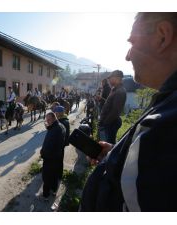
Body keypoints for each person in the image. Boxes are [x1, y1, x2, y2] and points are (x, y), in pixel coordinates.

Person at [80, 12, 177, 212]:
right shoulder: (167, 104)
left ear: (163, 36)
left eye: (132, 42)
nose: (127, 55)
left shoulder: (164, 128)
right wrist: (118, 154)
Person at [40, 112, 65, 200]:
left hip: (50, 157)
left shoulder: (55, 130)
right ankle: (54, 191)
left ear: (54, 118)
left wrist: (43, 154)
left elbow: (48, 145)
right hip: (57, 156)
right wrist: (48, 127)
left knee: (46, 176)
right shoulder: (60, 126)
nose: (47, 122)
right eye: (46, 120)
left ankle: (45, 195)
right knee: (54, 175)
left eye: (49, 120)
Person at [98, 70, 126, 144]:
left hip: (110, 124)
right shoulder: (115, 89)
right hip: (108, 123)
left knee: (107, 145)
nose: (109, 80)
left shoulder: (120, 91)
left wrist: (104, 122)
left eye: (110, 78)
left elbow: (115, 112)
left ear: (117, 78)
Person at [53, 106, 70, 180]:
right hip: (60, 144)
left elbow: (61, 135)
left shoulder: (63, 122)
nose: (55, 114)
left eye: (56, 112)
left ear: (60, 113)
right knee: (58, 159)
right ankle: (58, 173)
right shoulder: (63, 120)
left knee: (58, 160)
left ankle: (58, 175)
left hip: (59, 145)